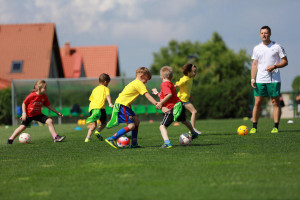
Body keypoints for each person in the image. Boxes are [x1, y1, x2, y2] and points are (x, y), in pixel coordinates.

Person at [104, 67, 158, 149]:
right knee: (131, 126)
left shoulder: (135, 82)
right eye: (146, 79)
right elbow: (147, 95)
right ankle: (111, 138)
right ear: (142, 75)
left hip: (125, 105)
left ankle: (134, 143)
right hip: (122, 105)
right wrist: (156, 103)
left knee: (137, 121)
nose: (146, 82)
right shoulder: (139, 83)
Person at [250, 26, 288, 134]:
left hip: (274, 80)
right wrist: (252, 78)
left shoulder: (277, 47)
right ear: (260, 34)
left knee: (275, 102)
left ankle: (276, 126)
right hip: (260, 80)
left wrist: (275, 66)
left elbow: (285, 61)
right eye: (262, 33)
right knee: (257, 102)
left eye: (266, 33)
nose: (264, 35)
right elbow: (254, 64)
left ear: (270, 34)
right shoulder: (257, 48)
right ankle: (254, 126)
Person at [152, 66, 200, 148]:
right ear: (172, 77)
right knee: (184, 120)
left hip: (171, 109)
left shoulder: (164, 84)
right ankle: (193, 132)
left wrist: (160, 103)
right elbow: (166, 96)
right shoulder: (170, 84)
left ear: (161, 77)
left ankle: (167, 143)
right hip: (179, 106)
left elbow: (169, 95)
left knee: (162, 126)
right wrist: (157, 93)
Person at [7, 80, 65, 144]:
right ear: (39, 88)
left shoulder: (44, 97)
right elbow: (24, 103)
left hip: (38, 114)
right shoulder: (32, 95)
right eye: (44, 88)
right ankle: (11, 139)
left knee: (49, 121)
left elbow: (48, 105)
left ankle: (55, 137)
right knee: (23, 127)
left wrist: (57, 112)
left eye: (46, 88)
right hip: (29, 115)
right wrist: (24, 114)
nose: (46, 89)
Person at [84, 73, 114, 142]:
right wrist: (110, 103)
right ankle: (97, 132)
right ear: (105, 82)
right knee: (104, 123)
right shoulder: (106, 88)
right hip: (100, 108)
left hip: (92, 108)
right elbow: (108, 96)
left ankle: (87, 138)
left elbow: (91, 99)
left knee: (93, 125)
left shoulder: (94, 89)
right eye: (108, 83)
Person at [175, 63, 201, 135]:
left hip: (185, 99)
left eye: (196, 71)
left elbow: (187, 89)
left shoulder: (190, 79)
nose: (195, 73)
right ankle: (192, 129)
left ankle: (192, 129)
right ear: (188, 72)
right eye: (194, 71)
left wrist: (190, 95)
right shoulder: (185, 79)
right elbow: (176, 85)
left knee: (181, 117)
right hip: (182, 99)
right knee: (194, 111)